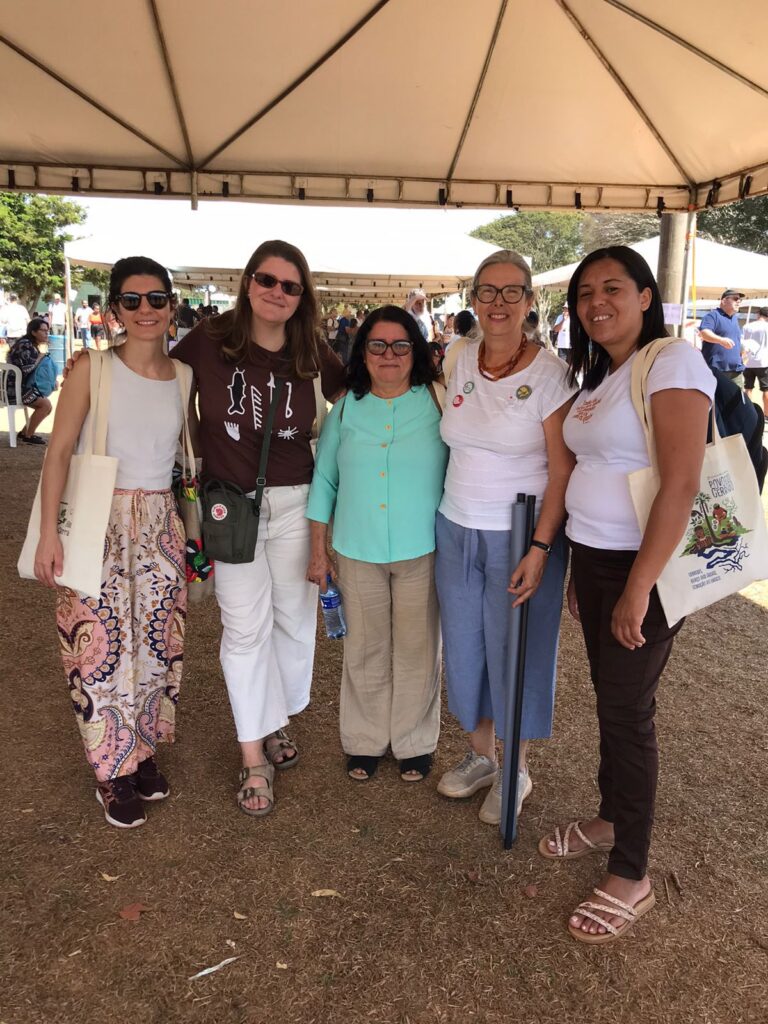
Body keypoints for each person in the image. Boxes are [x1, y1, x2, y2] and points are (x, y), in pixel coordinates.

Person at [539, 246, 715, 944]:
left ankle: (631, 872)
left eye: (612, 287)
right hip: (597, 561)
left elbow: (680, 483)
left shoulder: (670, 360)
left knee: (628, 712)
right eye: (584, 294)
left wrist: (638, 587)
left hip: (645, 569)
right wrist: (588, 569)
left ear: (647, 296)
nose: (594, 302)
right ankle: (611, 817)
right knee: (614, 706)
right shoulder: (605, 374)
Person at [173, 240, 346, 817]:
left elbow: (359, 395)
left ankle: (277, 719)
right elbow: (155, 372)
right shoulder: (209, 340)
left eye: (290, 286)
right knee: (245, 629)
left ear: (303, 297)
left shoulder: (312, 350)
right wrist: (96, 364)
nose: (277, 292)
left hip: (298, 504)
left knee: (295, 625)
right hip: (231, 507)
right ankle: (254, 755)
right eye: (267, 280)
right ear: (248, 283)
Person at [33, 256, 187, 829]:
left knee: (154, 645)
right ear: (114, 308)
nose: (144, 310)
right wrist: (52, 533)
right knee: (98, 647)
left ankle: (141, 749)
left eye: (155, 298)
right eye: (131, 299)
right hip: (101, 518)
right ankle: (110, 770)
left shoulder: (185, 375)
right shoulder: (91, 370)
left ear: (171, 305)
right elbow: (57, 452)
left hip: (160, 524)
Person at [434, 250, 576, 826]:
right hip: (454, 525)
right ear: (473, 299)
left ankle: (515, 767)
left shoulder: (552, 374)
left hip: (520, 534)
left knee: (516, 650)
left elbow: (562, 469)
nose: (497, 303)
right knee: (465, 648)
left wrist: (541, 548)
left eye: (510, 292)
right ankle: (480, 756)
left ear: (530, 301)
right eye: (486, 292)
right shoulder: (458, 356)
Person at [306, 306, 448, 782]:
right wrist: (317, 550)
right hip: (356, 548)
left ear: (417, 352)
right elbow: (324, 481)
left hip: (422, 549)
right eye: (378, 345)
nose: (389, 355)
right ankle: (365, 741)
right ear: (362, 352)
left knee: (418, 648)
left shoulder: (438, 400)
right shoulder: (346, 407)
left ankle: (414, 742)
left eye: (401, 345)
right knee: (364, 648)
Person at [7, 316, 56, 445]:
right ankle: (28, 435)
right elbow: (27, 369)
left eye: (47, 330)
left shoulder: (28, 344)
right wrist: (40, 357)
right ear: (33, 332)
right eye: (43, 330)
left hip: (19, 386)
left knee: (47, 406)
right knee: (45, 405)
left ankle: (25, 433)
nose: (46, 333)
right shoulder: (26, 345)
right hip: (14, 389)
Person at [698, 289, 745, 387]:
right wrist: (721, 340)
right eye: (735, 299)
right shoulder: (712, 316)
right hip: (717, 369)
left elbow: (736, 340)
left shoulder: (735, 319)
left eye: (740, 300)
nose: (739, 302)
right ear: (723, 300)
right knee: (716, 401)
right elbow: (704, 333)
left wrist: (742, 350)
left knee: (738, 401)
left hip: (736, 370)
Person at [742, 307, 768, 416]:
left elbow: (743, 344)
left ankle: (748, 413)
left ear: (758, 314)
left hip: (748, 361)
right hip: (764, 361)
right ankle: (766, 414)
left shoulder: (747, 326)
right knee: (766, 389)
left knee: (748, 388)